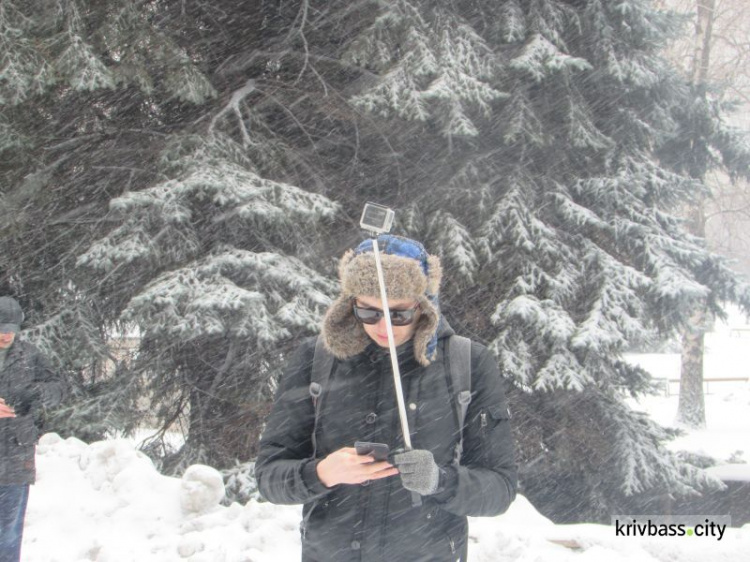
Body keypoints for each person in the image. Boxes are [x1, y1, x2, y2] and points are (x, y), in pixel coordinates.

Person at [255, 235, 517, 562]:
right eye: (368, 312)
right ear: (350, 304)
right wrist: (321, 473)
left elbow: (500, 487)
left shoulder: (467, 363)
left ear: (424, 305)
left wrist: (441, 481)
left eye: (399, 314)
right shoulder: (315, 360)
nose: (384, 327)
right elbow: (269, 476)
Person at [0, 296, 66, 562]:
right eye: (0, 328)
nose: (5, 335)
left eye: (10, 329)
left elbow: (59, 387)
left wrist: (32, 396)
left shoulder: (30, 356)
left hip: (16, 458)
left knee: (7, 535)